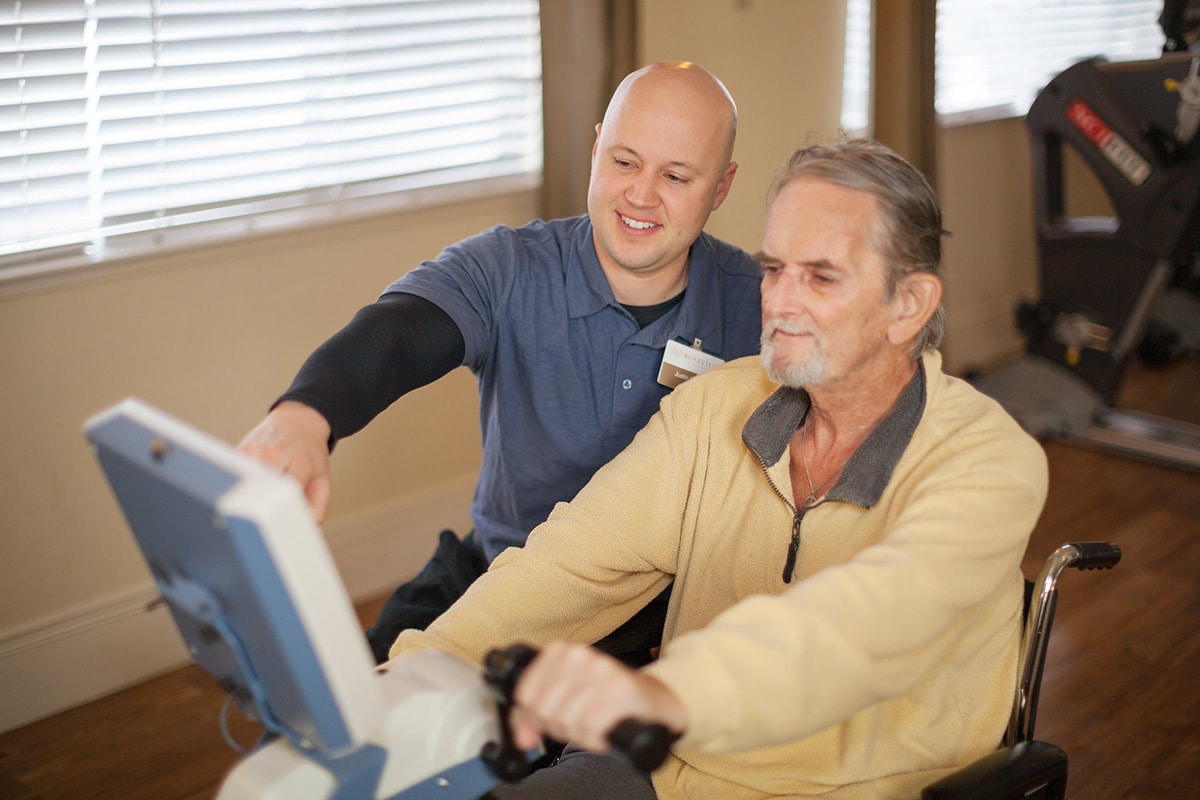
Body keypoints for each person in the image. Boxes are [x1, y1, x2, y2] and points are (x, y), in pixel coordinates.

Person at [385, 137, 1050, 799]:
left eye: (820, 276)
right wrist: (415, 672)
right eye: (773, 269)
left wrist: (662, 694)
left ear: (909, 304)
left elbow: (860, 628)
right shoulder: (715, 407)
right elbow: (569, 564)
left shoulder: (988, 461)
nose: (781, 301)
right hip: (673, 767)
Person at [236, 61, 763, 664]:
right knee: (353, 717)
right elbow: (400, 334)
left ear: (721, 187)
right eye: (624, 161)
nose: (640, 194)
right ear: (595, 149)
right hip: (497, 571)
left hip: (655, 614)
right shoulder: (507, 267)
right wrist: (306, 416)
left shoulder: (759, 303)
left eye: (676, 175)